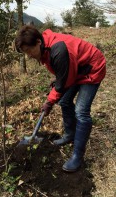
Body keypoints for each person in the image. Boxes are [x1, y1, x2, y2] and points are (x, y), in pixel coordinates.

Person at [14, 25, 106, 172]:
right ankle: (70, 134)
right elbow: (63, 75)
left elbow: (63, 83)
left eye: (29, 51)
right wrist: (59, 82)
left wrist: (49, 102)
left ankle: (77, 155)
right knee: (64, 100)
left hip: (91, 69)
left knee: (81, 111)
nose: (29, 56)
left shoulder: (58, 50)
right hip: (76, 70)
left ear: (38, 42)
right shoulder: (45, 47)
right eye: (25, 52)